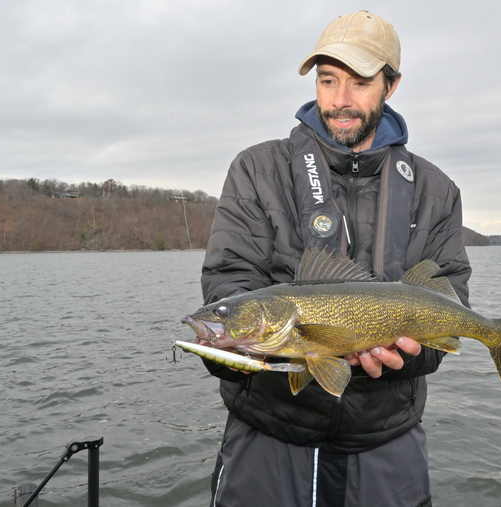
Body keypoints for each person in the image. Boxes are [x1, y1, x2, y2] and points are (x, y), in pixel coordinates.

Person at [200, 10, 471, 507]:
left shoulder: (437, 191)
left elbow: (448, 310)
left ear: (391, 85)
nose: (339, 100)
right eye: (328, 80)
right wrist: (236, 345)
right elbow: (229, 285)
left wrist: (401, 358)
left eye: (360, 82)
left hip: (386, 446)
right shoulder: (257, 169)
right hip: (268, 440)